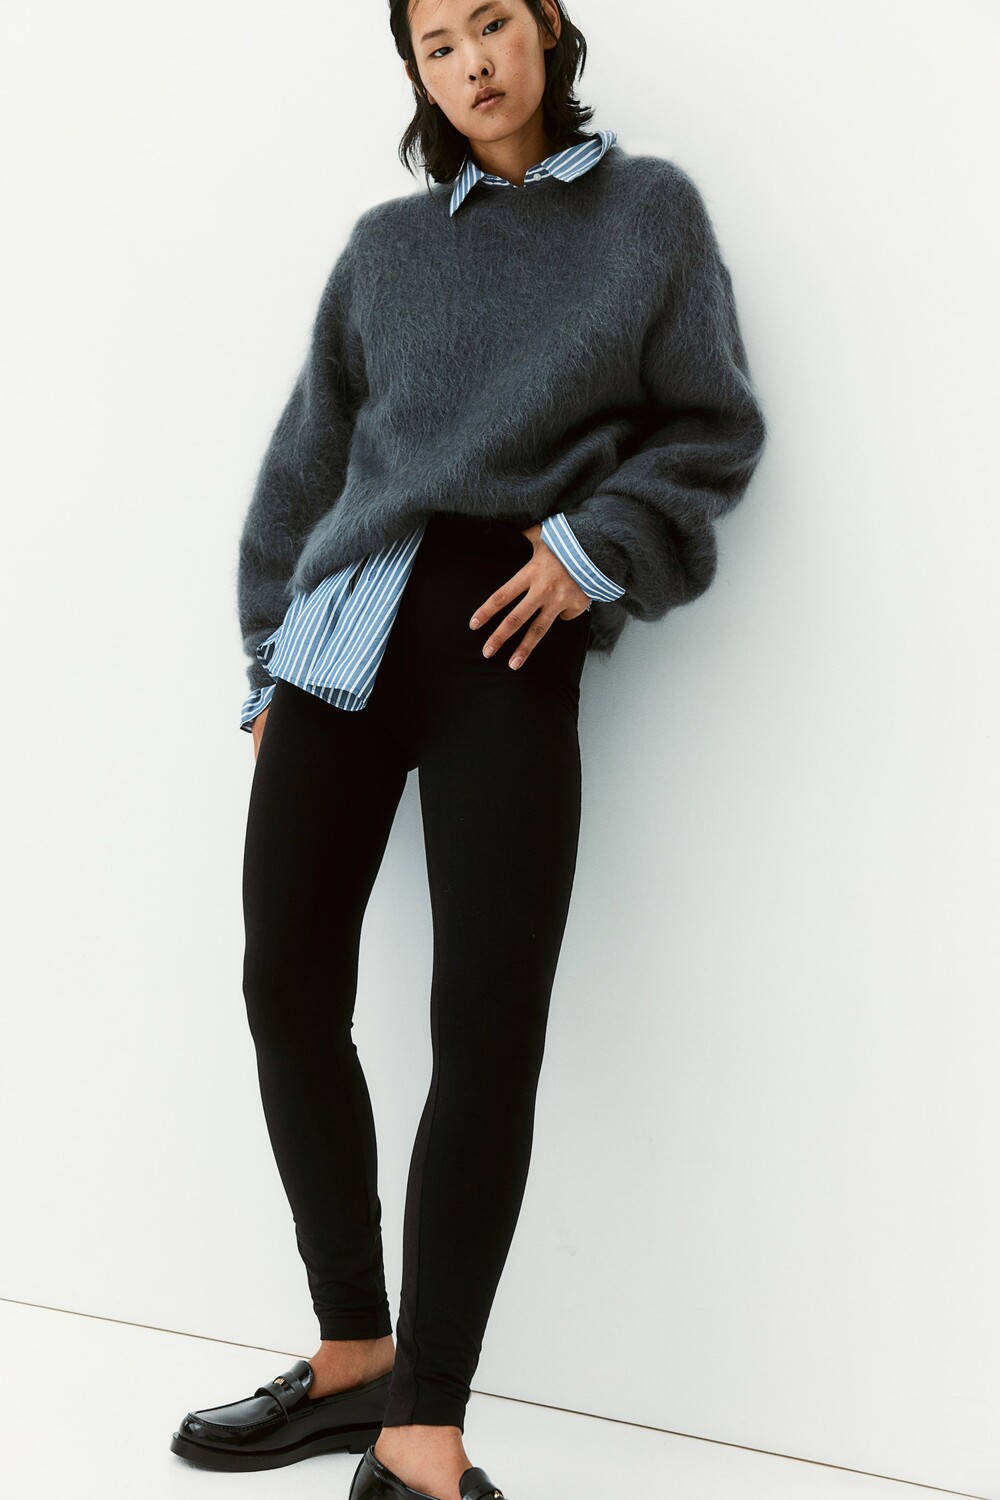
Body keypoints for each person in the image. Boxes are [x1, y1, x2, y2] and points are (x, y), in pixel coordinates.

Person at [169, 2, 768, 1497]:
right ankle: (353, 1356)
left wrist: (595, 546)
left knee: (486, 1028)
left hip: (505, 636)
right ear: (418, 73)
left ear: (550, 24)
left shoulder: (648, 214)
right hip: (343, 639)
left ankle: (422, 1429)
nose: (473, 64)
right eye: (437, 45)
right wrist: (266, 658)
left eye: (492, 22)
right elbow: (307, 465)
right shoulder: (385, 247)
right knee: (285, 985)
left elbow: (712, 428)